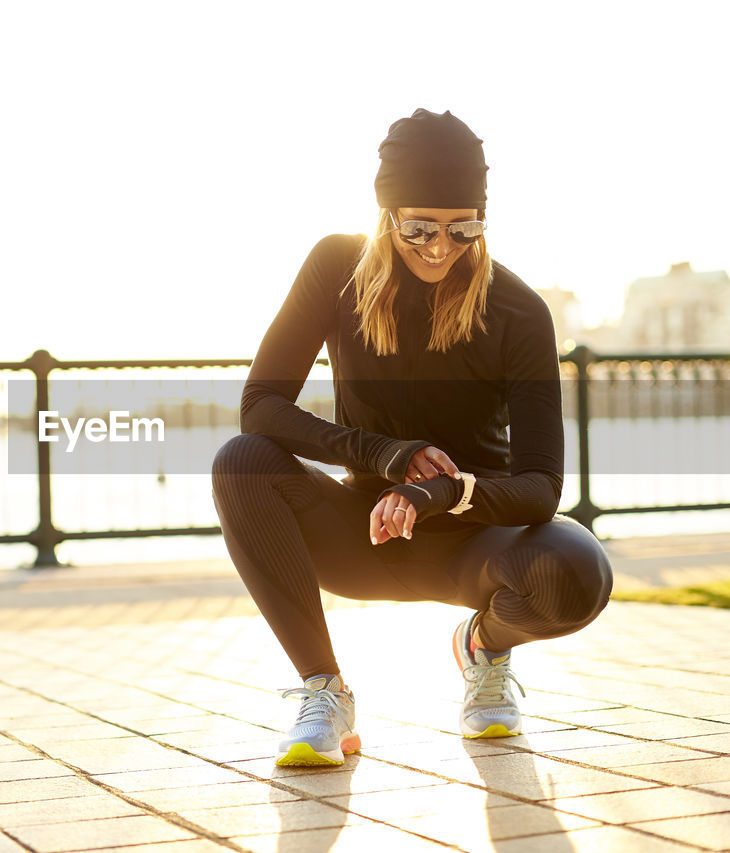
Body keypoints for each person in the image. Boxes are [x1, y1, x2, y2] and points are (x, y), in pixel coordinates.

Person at [210, 108, 614, 767]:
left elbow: (541, 485)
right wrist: (384, 454)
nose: (439, 246)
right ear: (386, 213)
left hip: (474, 540)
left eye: (464, 228)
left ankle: (483, 648)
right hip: (365, 532)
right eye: (418, 227)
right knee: (242, 463)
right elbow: (261, 405)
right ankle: (324, 690)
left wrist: (437, 495)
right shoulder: (335, 266)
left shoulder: (518, 311)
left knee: (578, 571)